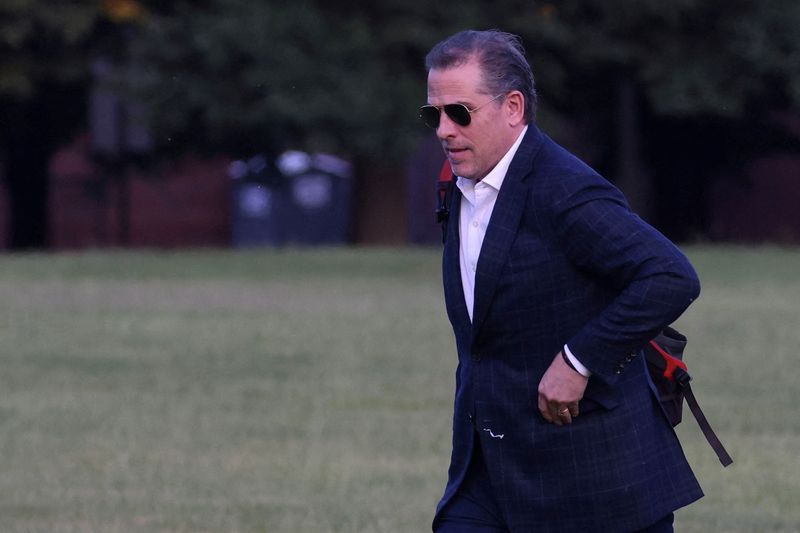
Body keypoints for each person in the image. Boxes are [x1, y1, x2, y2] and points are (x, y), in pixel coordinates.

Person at [421, 29, 703, 532]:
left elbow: (669, 274)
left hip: (594, 480)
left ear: (513, 107)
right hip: (488, 470)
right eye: (433, 114)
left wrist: (578, 360)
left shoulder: (566, 190)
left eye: (459, 112)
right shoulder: (462, 182)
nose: (443, 129)